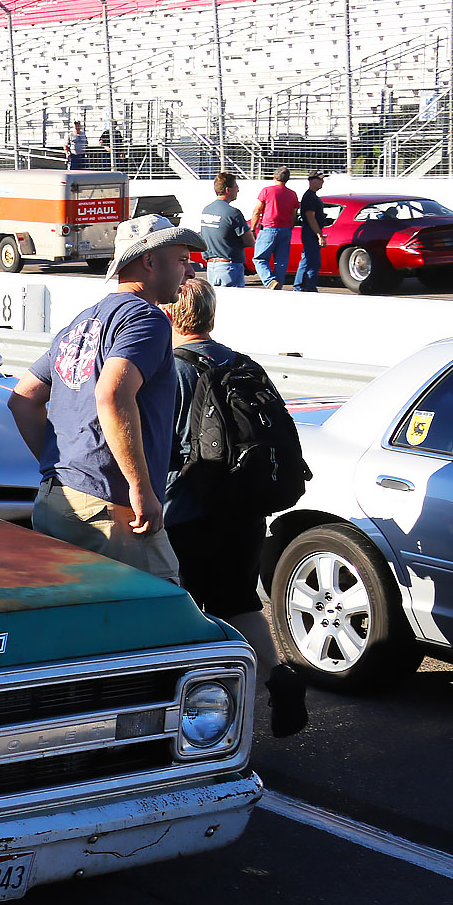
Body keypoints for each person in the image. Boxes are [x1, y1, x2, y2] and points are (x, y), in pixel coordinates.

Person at [8, 214, 203, 583]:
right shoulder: (146, 318)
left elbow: (23, 399)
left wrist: (62, 466)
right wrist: (141, 488)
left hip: (57, 500)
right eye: (181, 259)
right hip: (108, 507)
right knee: (163, 618)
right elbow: (112, 393)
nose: (188, 270)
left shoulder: (82, 321)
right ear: (149, 260)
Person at [162, 277, 309, 736]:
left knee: (180, 606)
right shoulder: (242, 363)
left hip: (186, 511)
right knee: (240, 602)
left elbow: (156, 445)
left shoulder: (171, 370)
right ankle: (276, 676)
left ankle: (197, 713)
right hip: (244, 508)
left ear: (168, 314)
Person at [193, 171, 251, 288]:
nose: (238, 190)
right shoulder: (233, 213)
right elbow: (249, 241)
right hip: (229, 266)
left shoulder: (207, 210)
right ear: (228, 190)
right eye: (236, 186)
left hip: (212, 267)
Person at [250, 168, 300, 290]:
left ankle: (269, 281)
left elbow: (257, 210)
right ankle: (278, 285)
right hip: (286, 229)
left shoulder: (267, 191)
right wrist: (290, 226)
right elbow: (294, 214)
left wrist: (252, 228)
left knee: (259, 258)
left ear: (274, 177)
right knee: (281, 261)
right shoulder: (292, 194)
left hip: (269, 228)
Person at [293, 171, 329, 293]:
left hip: (310, 231)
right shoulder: (309, 197)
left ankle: (301, 285)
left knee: (307, 259)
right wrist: (319, 235)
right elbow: (310, 217)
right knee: (312, 261)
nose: (322, 182)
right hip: (310, 232)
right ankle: (308, 286)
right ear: (312, 180)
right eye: (319, 179)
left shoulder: (312, 196)